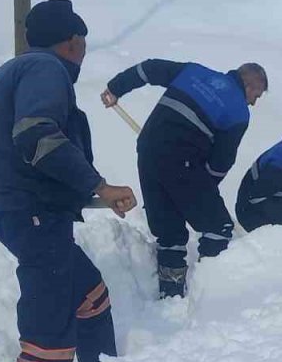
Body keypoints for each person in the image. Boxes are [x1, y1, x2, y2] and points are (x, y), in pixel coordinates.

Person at [0, 0, 138, 362]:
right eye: (83, 42)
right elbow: (38, 135)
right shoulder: (47, 70)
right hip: (35, 219)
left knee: (91, 296)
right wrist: (96, 184)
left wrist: (74, 197)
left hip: (23, 216)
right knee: (49, 342)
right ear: (74, 41)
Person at [101, 59, 268, 298]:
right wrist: (200, 193)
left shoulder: (194, 72)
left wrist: (116, 87)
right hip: (183, 161)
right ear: (250, 85)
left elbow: (149, 69)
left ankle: (171, 294)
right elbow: (222, 161)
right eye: (256, 96)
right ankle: (211, 293)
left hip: (148, 150)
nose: (253, 102)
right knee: (217, 228)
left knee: (169, 232)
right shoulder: (238, 111)